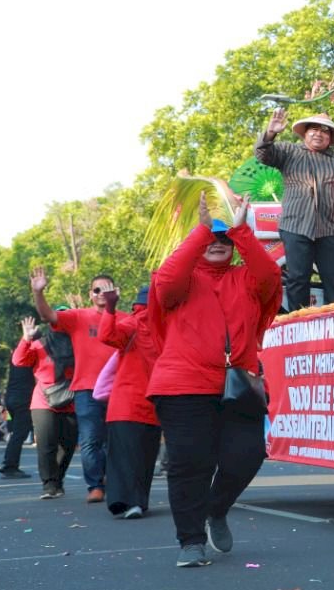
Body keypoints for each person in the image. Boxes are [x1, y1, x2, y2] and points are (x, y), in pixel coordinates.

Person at [148, 196, 280, 568]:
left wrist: (240, 229)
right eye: (212, 238)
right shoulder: (179, 280)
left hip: (238, 384)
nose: (218, 243)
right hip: (183, 384)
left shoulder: (247, 278)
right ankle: (190, 541)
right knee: (191, 463)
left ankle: (215, 509)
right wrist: (204, 228)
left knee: (247, 455)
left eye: (226, 240)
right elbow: (168, 279)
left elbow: (270, 276)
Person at [30, 269, 121, 504]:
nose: (101, 293)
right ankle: (95, 485)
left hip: (119, 390)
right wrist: (38, 291)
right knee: (91, 440)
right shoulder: (79, 317)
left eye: (106, 288)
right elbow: (47, 315)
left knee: (117, 441)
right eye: (97, 290)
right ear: (91, 295)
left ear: (116, 292)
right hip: (86, 390)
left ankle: (115, 480)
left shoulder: (125, 318)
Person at [255, 108, 334, 309]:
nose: (319, 134)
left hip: (330, 229)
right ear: (305, 133)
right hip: (295, 226)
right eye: (314, 129)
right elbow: (262, 154)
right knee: (298, 279)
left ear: (330, 137)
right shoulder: (289, 151)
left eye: (325, 131)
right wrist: (270, 133)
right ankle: (298, 328)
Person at [98, 286, 163, 519]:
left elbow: (106, 336)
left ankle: (125, 502)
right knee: (144, 458)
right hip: (151, 403)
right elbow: (107, 336)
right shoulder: (156, 326)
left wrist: (111, 308)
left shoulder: (136, 324)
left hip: (129, 405)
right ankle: (136, 502)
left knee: (125, 458)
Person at [12, 317, 78, 499]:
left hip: (71, 399)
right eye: (59, 318)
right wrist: (26, 339)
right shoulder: (40, 344)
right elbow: (19, 361)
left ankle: (58, 480)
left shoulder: (80, 344)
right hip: (44, 401)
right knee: (46, 445)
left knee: (68, 446)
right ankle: (49, 484)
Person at [0, 340, 35, 479]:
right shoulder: (31, 356)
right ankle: (10, 466)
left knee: (15, 433)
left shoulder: (15, 356)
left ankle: (9, 463)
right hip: (23, 400)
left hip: (10, 399)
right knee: (20, 434)